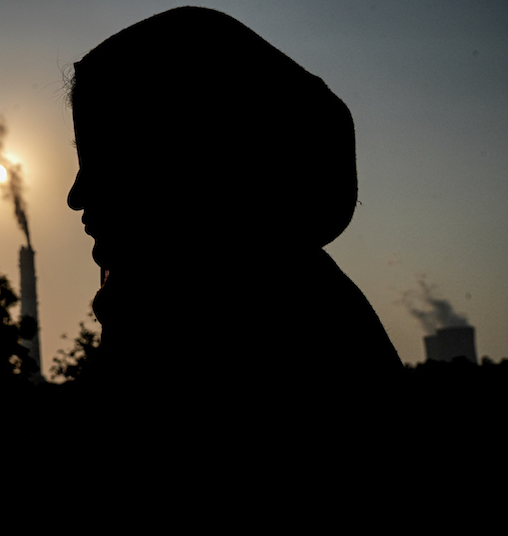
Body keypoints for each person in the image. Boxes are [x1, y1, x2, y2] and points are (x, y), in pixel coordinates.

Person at [66, 7, 403, 389]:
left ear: (190, 167)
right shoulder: (302, 307)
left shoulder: (197, 335)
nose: (75, 198)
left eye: (106, 160)